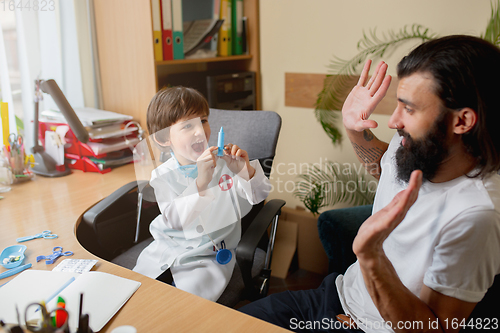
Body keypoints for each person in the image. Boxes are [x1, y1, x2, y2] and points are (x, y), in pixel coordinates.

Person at [240, 35, 500, 332]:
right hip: (336, 297)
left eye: (409, 109)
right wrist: (353, 128)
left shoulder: (476, 214)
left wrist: (372, 259)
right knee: (227, 324)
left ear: (462, 121)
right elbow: (386, 168)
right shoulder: (416, 147)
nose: (394, 120)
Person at [133, 86, 271, 302]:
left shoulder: (225, 165)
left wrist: (245, 170)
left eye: (203, 121)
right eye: (188, 125)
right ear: (163, 139)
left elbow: (259, 195)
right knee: (141, 294)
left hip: (207, 256)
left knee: (185, 306)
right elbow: (175, 221)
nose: (200, 131)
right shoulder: (162, 175)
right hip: (167, 248)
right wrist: (200, 183)